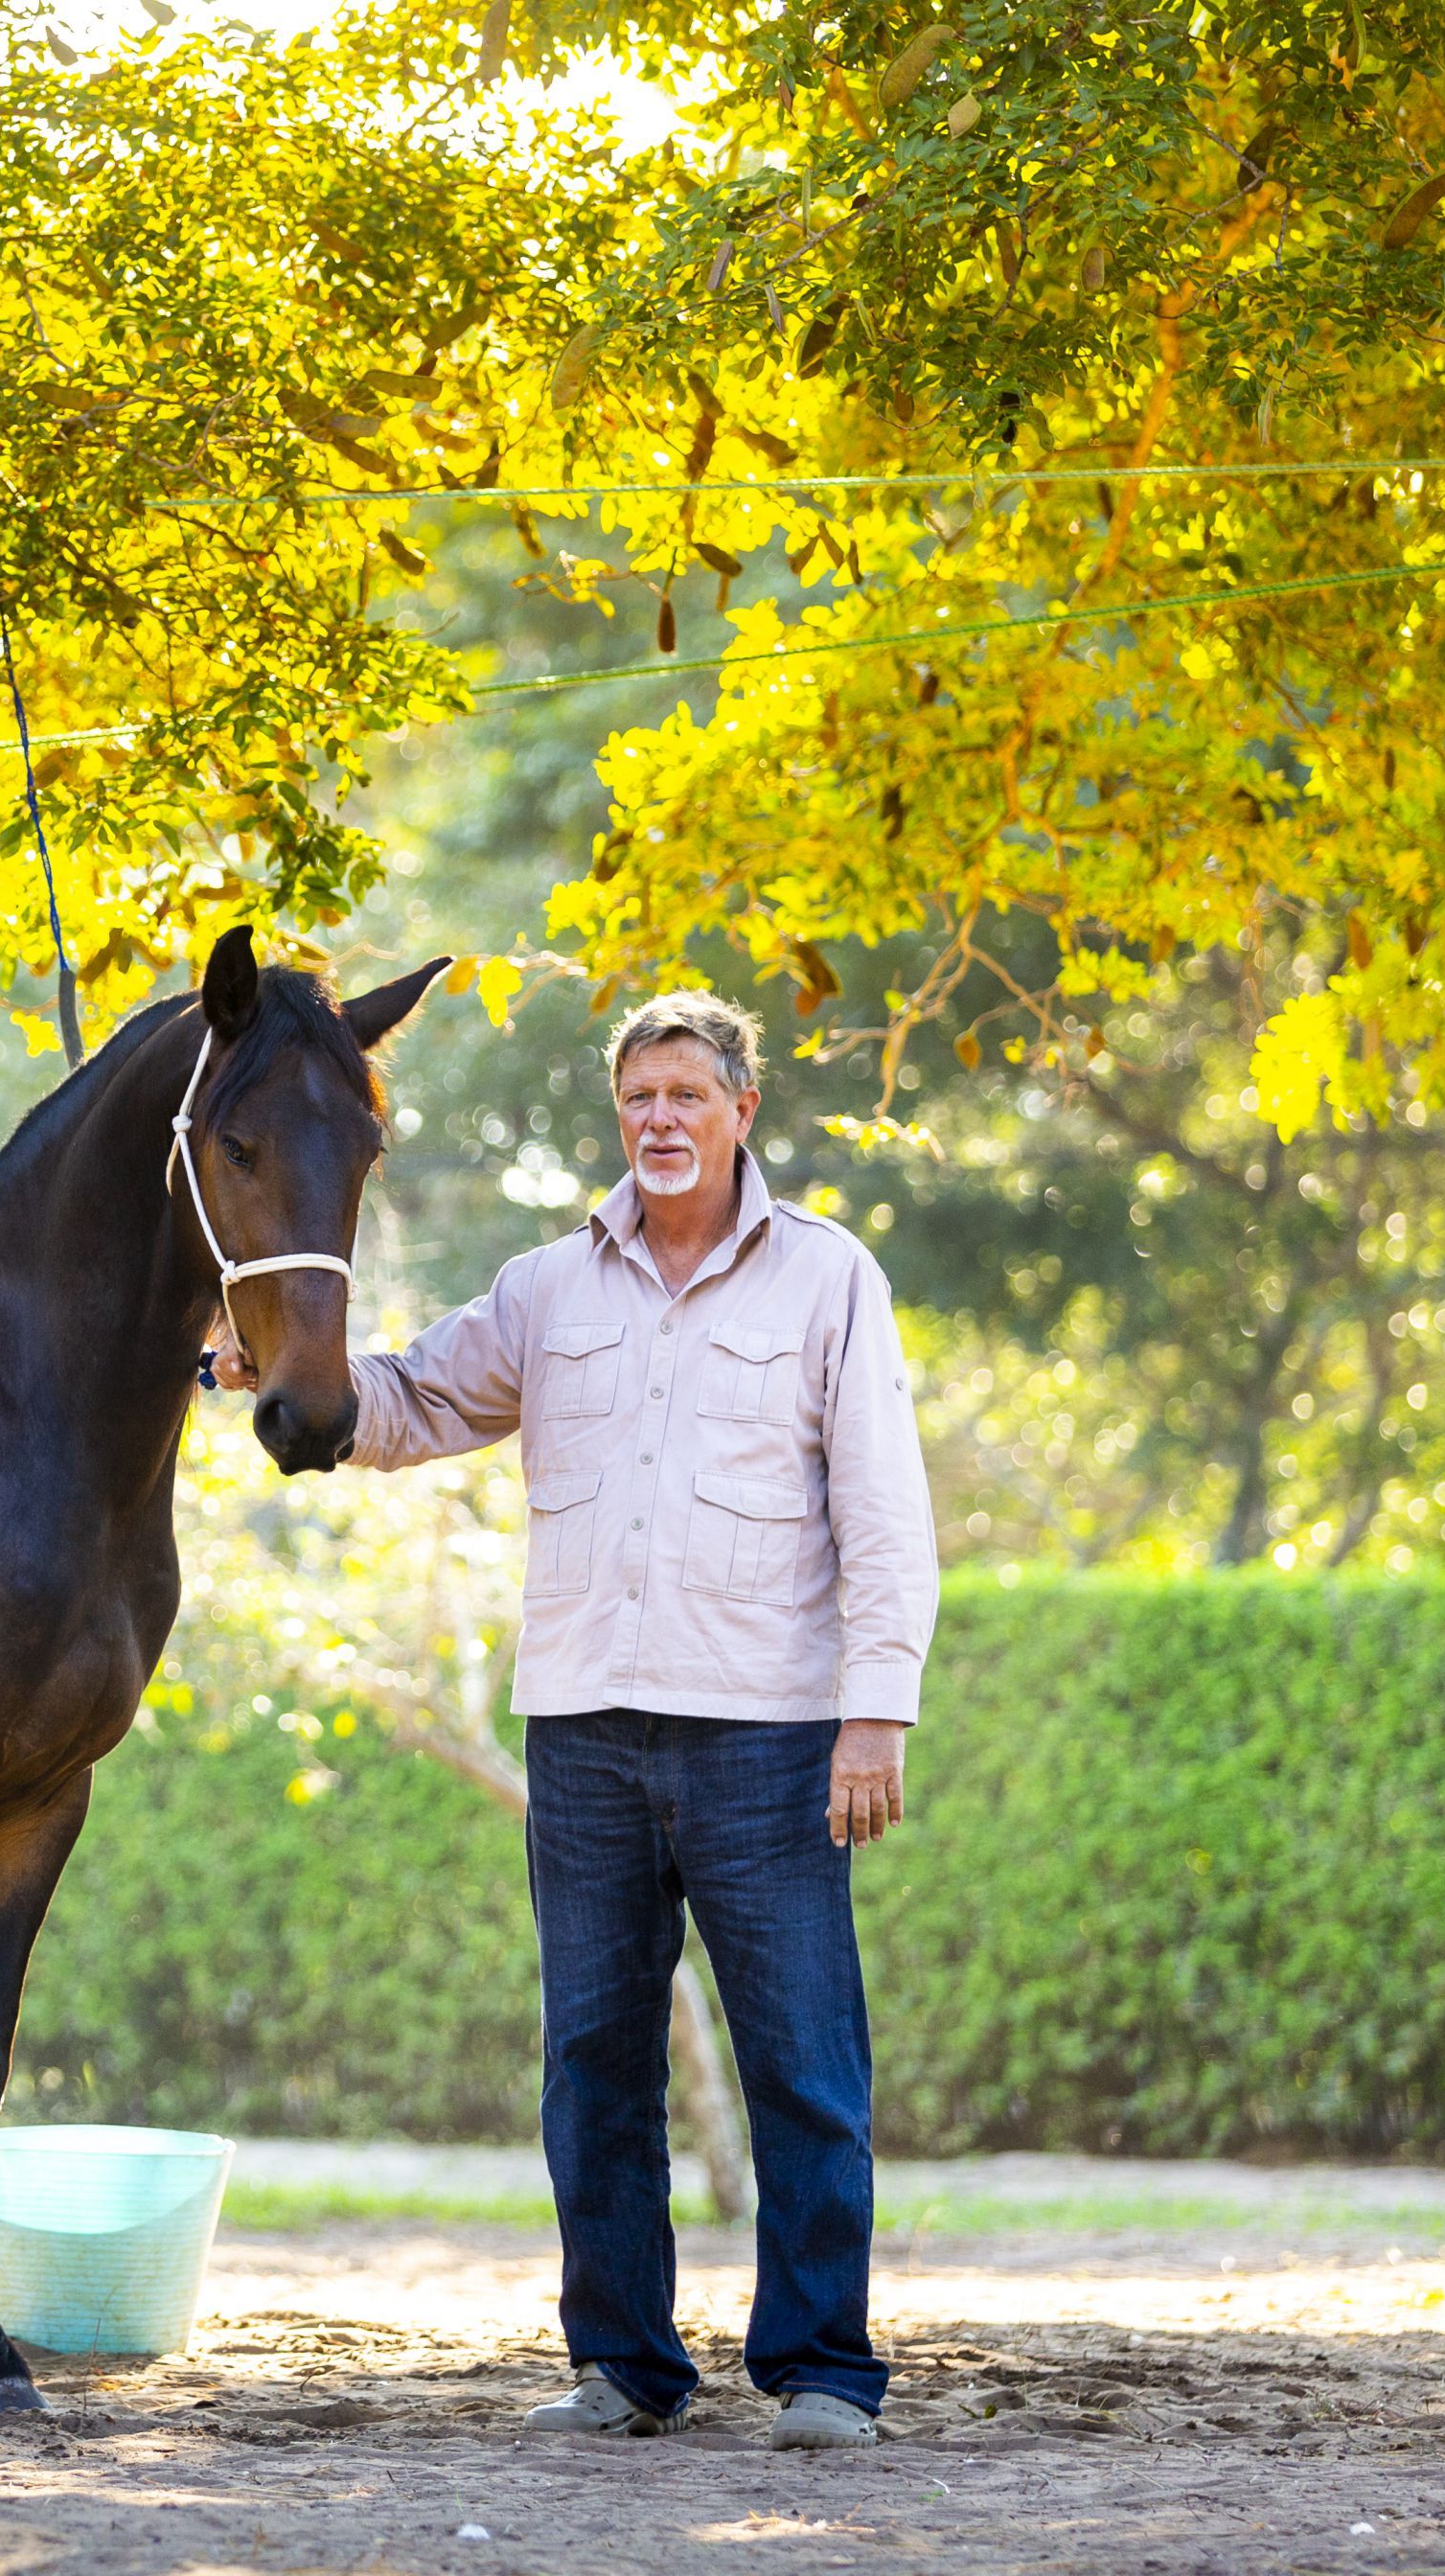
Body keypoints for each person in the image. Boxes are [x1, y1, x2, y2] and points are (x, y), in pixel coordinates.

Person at [212, 989, 935, 2450]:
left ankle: (821, 2373)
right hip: (587, 1736)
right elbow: (413, 1400)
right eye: (638, 1100)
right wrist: (276, 1369)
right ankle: (623, 2366)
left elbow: (883, 1508)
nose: (660, 1121)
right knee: (592, 2059)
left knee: (803, 2057)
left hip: (768, 1737)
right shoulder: (550, 1288)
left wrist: (878, 1714)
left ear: (743, 1110)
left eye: (687, 1094)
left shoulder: (827, 1278)